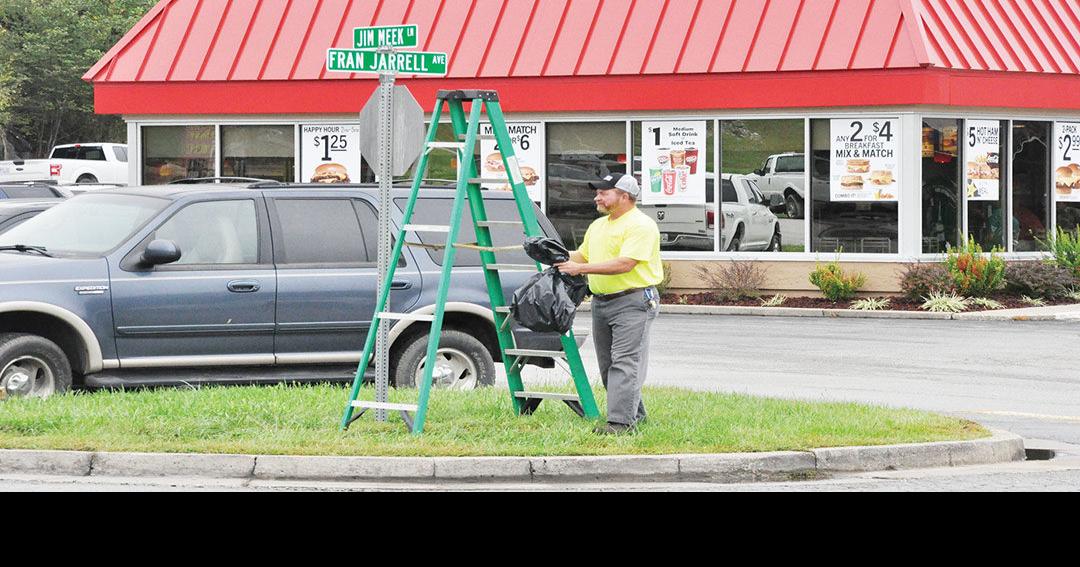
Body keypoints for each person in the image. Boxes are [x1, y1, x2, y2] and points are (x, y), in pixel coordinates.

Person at [555, 173, 664, 435]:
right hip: (602, 302)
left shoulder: (640, 225)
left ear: (624, 196)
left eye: (604, 192)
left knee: (625, 362)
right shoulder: (599, 226)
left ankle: (620, 424)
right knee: (607, 365)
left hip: (633, 301)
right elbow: (582, 254)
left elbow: (625, 264)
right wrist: (552, 254)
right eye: (598, 192)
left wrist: (579, 268)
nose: (597, 196)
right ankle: (634, 414)